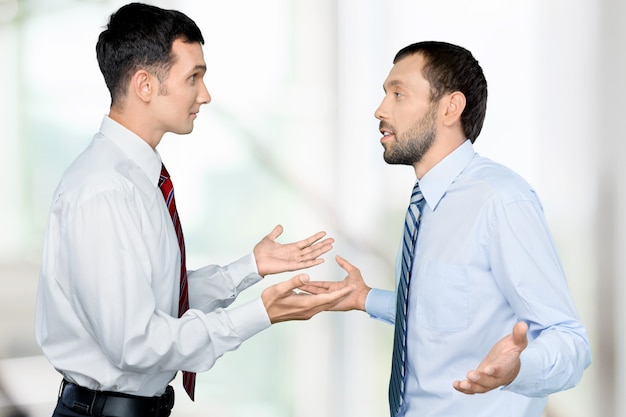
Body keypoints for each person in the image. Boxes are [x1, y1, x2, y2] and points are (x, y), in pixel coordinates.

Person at [34, 3, 354, 417]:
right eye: (193, 77)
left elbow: (158, 302)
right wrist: (260, 314)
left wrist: (248, 268)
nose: (205, 94)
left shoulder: (136, 177)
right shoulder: (104, 190)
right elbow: (137, 342)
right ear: (145, 85)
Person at [302, 41, 591, 416]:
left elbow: (570, 340)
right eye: (384, 94)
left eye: (398, 94)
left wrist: (518, 369)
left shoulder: (501, 200)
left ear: (450, 108)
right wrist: (366, 298)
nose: (380, 110)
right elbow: (450, 314)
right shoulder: (426, 205)